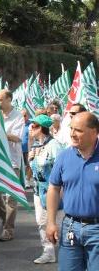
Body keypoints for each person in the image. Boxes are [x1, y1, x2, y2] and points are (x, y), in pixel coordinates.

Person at [46, 111, 99, 271]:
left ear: (95, 132)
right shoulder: (64, 156)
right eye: (71, 129)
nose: (72, 134)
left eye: (78, 130)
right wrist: (51, 222)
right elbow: (53, 188)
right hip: (70, 228)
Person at [28, 114, 64, 264]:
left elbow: (62, 169)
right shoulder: (36, 145)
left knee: (58, 223)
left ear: (42, 128)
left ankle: (67, 250)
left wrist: (61, 192)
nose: (30, 128)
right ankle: (48, 252)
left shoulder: (54, 145)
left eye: (34, 126)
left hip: (53, 191)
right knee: (41, 222)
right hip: (38, 191)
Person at [0, 89, 24, 241]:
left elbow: (17, 138)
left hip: (12, 160)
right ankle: (6, 219)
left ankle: (8, 229)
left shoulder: (18, 116)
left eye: (0, 99)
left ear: (9, 100)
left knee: (11, 197)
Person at [20, 108, 32, 188]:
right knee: (20, 166)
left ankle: (27, 180)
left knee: (29, 165)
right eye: (22, 116)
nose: (23, 117)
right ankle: (21, 180)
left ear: (27, 115)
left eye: (25, 115)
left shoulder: (31, 125)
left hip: (28, 149)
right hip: (19, 149)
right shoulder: (18, 124)